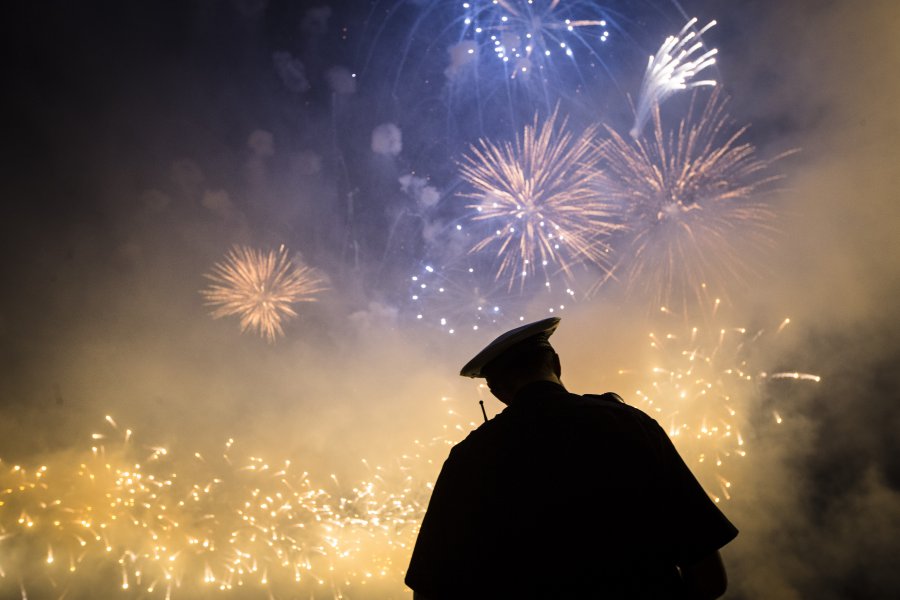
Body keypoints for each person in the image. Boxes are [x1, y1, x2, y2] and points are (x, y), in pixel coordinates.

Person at [405, 317, 738, 599]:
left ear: (496, 391)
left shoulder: (469, 458)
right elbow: (710, 577)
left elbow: (430, 589)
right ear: (557, 364)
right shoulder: (631, 425)